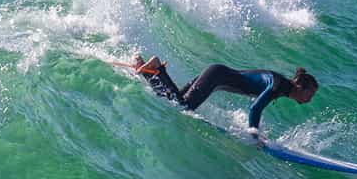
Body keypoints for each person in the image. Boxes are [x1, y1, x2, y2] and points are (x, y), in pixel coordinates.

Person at [132, 55, 317, 134]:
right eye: (310, 94)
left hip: (215, 74)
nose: (310, 99)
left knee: (171, 100)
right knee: (183, 106)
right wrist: (254, 134)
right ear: (300, 86)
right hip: (216, 77)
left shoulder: (281, 86)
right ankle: (155, 67)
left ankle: (146, 68)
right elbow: (255, 108)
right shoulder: (278, 85)